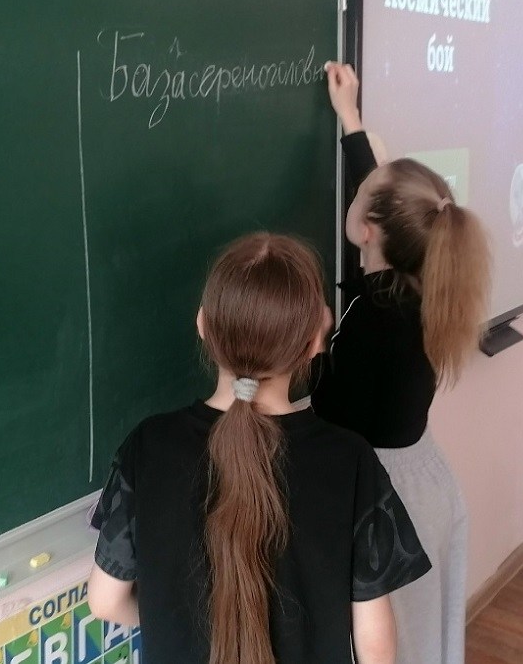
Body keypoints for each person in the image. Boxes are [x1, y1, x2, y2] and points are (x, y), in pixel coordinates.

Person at [88, 232, 431, 664]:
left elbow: (105, 602)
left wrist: (171, 624)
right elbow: (374, 643)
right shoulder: (348, 459)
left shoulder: (148, 446)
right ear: (314, 342)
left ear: (203, 325)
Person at [313, 63, 492, 664]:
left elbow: (330, 415)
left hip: (389, 502)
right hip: (422, 483)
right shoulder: (419, 285)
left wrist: (313, 349)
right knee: (420, 639)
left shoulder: (375, 321)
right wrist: (350, 117)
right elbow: (383, 192)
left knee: (394, 646)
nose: (360, 185)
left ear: (367, 231)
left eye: (363, 192)